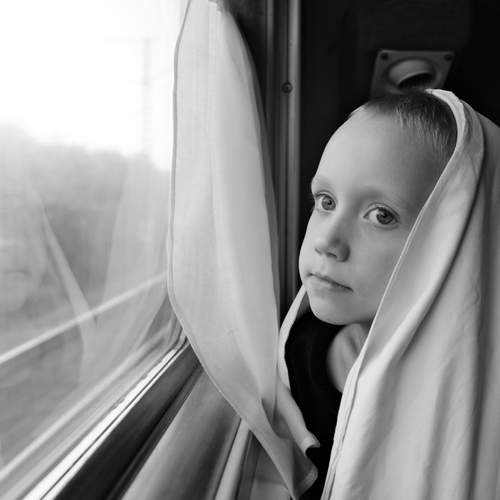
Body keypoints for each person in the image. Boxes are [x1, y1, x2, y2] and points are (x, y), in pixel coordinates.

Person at [278, 89, 500, 499]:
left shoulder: (476, 404)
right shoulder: (296, 353)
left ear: (457, 244)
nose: (327, 242)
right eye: (325, 201)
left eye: (381, 215)